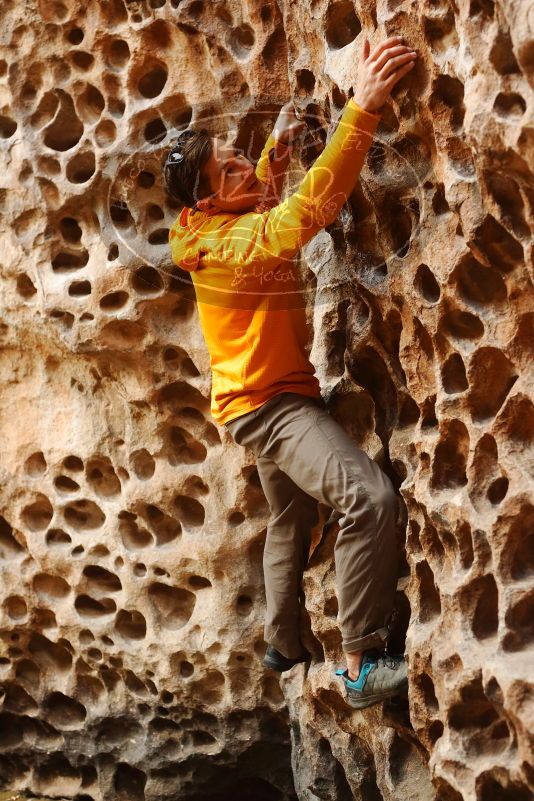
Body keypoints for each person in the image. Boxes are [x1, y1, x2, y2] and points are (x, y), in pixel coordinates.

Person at [164, 36, 418, 709]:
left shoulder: (213, 221)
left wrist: (275, 150)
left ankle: (284, 641)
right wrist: (361, 109)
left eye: (236, 156)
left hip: (250, 399)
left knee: (290, 514)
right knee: (369, 499)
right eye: (227, 172)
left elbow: (260, 203)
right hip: (273, 406)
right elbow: (295, 220)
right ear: (207, 204)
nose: (241, 165)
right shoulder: (228, 242)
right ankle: (360, 663)